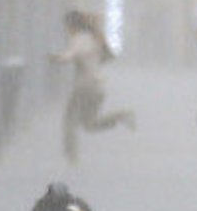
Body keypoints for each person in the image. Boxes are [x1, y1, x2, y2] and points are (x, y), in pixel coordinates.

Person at [49, 10, 135, 164]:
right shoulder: (94, 39)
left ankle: (71, 156)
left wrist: (58, 58)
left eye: (67, 26)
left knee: (69, 120)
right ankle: (121, 115)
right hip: (97, 86)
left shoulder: (81, 38)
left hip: (84, 86)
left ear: (72, 25)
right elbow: (105, 57)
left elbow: (75, 53)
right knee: (89, 124)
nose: (66, 30)